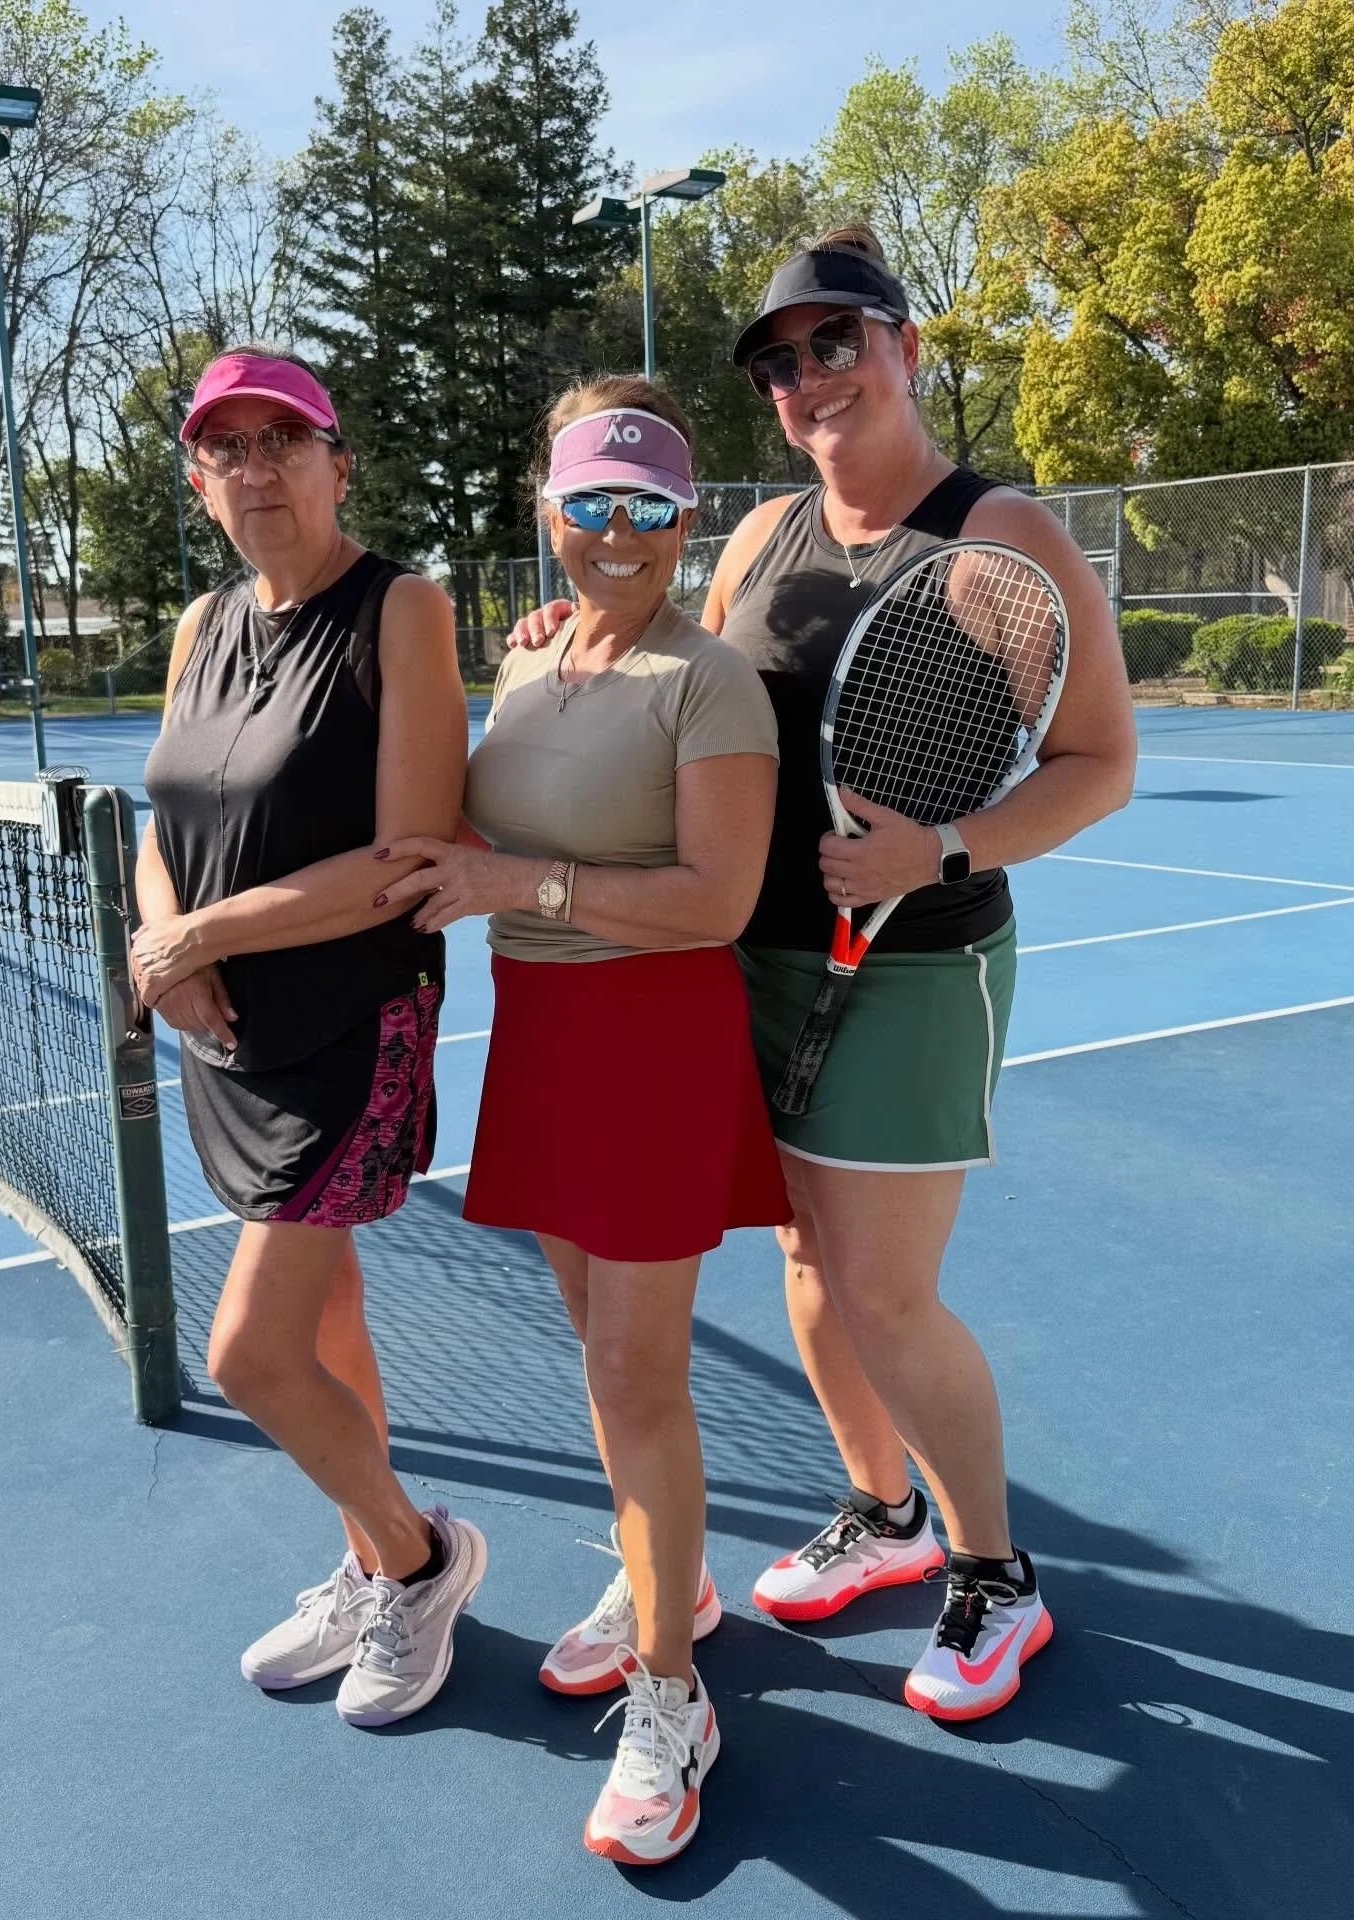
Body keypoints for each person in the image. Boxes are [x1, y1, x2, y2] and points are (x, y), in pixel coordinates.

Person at [508, 230, 1137, 1721]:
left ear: (904, 345)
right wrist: (580, 628)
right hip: (761, 957)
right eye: (779, 362)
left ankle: (993, 1572)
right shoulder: (761, 537)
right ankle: (888, 1512)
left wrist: (950, 851)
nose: (807, 378)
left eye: (834, 342)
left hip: (916, 968)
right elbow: (692, 686)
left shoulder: (1005, 539)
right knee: (803, 1267)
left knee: (882, 1286)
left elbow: (1101, 763)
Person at [371, 376, 788, 1863]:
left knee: (635, 1371)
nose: (620, 534)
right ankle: (661, 1577)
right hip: (542, 1041)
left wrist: (517, 889)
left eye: (651, 509)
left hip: (657, 1041)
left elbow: (717, 903)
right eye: (592, 506)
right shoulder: (533, 663)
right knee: (601, 1363)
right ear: (549, 516)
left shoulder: (711, 678)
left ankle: (676, 1698)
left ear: (686, 521)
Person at [131, 345, 484, 1729]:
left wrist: (200, 941)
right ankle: (365, 1557)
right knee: (327, 1324)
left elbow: (409, 860)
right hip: (224, 1035)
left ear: (339, 461)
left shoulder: (400, 609)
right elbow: (163, 834)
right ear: (200, 474)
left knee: (252, 1358)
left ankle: (419, 1560)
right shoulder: (200, 624)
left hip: (352, 1029)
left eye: (287, 440)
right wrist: (165, 950)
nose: (259, 468)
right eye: (230, 446)